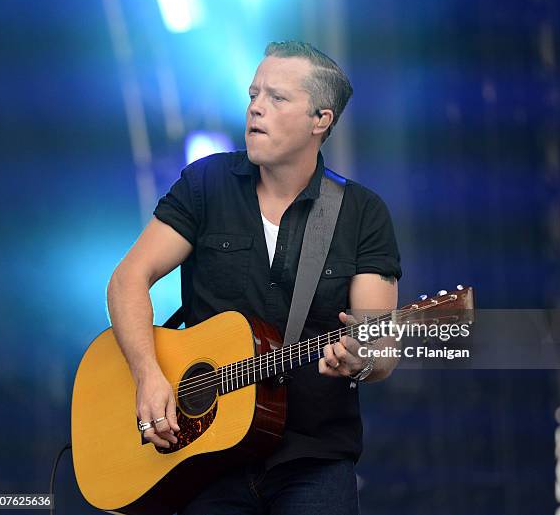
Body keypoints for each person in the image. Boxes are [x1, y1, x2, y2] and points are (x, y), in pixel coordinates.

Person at [106, 40, 402, 515]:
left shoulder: (361, 214)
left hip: (313, 460)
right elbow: (127, 280)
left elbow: (380, 349)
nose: (255, 109)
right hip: (203, 457)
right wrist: (148, 375)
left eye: (277, 98)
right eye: (252, 95)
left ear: (320, 120)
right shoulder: (206, 184)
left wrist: (361, 360)